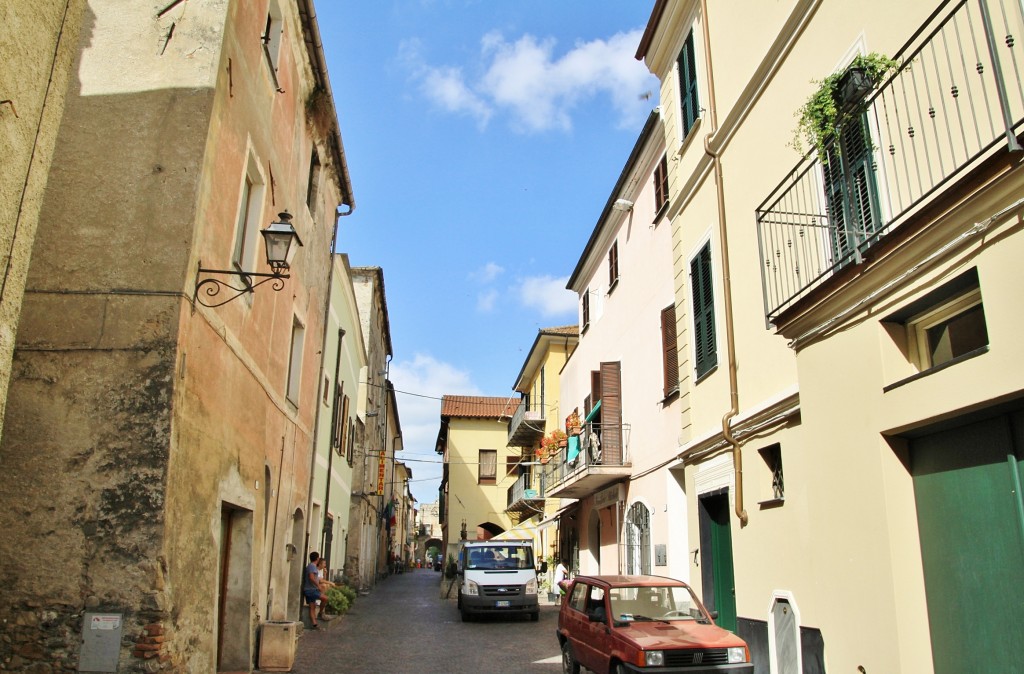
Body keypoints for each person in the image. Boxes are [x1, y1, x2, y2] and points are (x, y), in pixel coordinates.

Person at [304, 552, 327, 629]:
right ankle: (320, 613)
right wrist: (318, 586)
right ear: (317, 558)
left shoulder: (312, 566)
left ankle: (314, 624)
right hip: (311, 590)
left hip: (311, 589)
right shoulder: (312, 566)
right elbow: (311, 577)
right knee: (325, 598)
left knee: (312, 607)